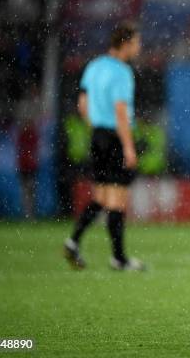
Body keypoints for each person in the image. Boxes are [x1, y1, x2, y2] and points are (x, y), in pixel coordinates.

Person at [63, 21, 145, 271]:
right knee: (117, 199)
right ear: (127, 43)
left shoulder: (94, 66)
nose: (139, 47)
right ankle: (119, 259)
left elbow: (82, 104)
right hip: (115, 136)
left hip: (97, 134)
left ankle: (73, 240)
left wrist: (96, 129)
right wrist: (128, 147)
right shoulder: (122, 72)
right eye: (137, 42)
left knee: (101, 196)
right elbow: (121, 111)